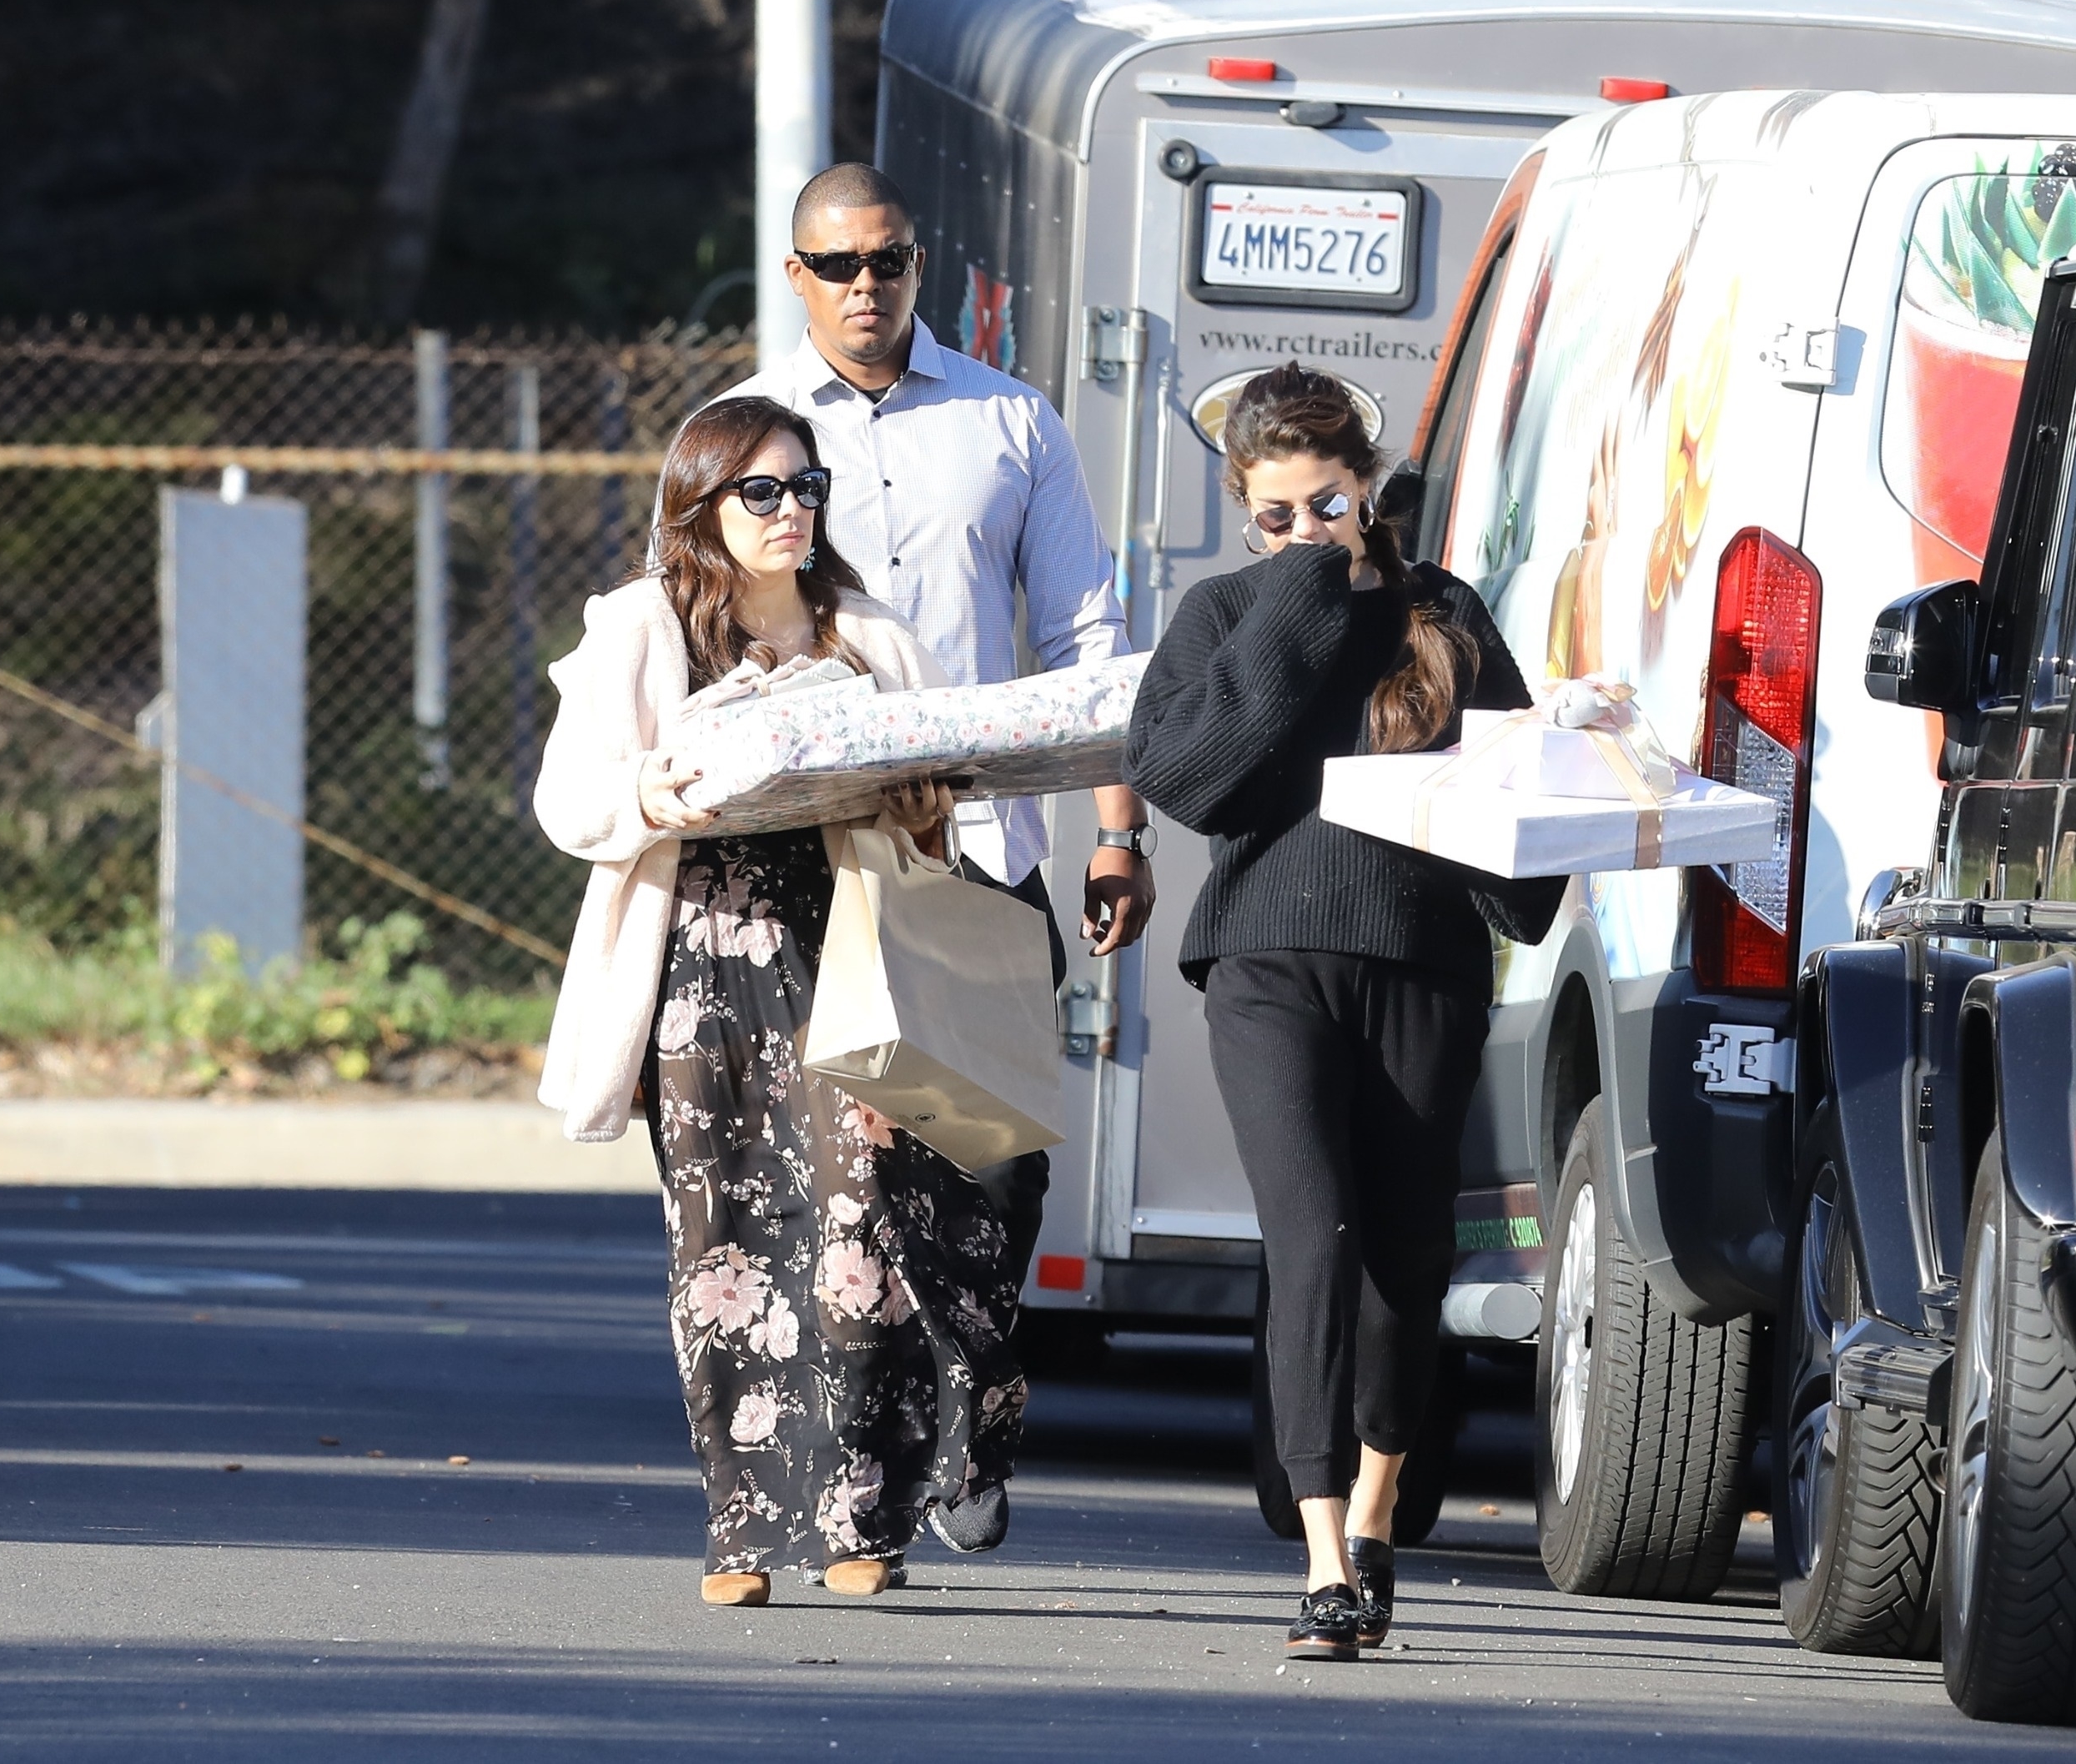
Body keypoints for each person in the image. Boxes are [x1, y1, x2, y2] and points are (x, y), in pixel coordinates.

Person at [719, 160, 1155, 1553]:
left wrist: (1117, 828)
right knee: (836, 1173)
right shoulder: (749, 435)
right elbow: (701, 624)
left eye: (889, 260)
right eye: (839, 264)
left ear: (922, 266)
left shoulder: (1011, 422)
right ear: (796, 275)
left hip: (977, 849)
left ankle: (970, 1408)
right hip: (811, 856)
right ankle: (864, 1476)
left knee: (996, 1161)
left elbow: (1087, 640)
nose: (867, 286)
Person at [530, 395, 1024, 1606]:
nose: (792, 510)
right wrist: (658, 789)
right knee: (724, 1241)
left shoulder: (866, 631)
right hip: (700, 970)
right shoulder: (642, 625)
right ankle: (743, 1529)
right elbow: (570, 800)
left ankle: (862, 1516)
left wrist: (919, 802)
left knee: (866, 1217)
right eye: (762, 491)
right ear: (701, 503)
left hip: (849, 950)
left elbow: (935, 807)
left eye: (808, 488)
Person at [1123, 364, 1557, 1663]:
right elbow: (1189, 777)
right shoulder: (1224, 614)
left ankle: (1375, 1515)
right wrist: (1300, 596)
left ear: (1368, 490)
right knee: (1310, 1238)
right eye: (1276, 515)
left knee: (1405, 1259)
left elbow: (1518, 818)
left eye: (1328, 506)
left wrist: (1577, 757)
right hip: (1266, 963)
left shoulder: (1444, 612)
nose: (1305, 530)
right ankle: (1321, 1559)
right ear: (1243, 510)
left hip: (1421, 960)